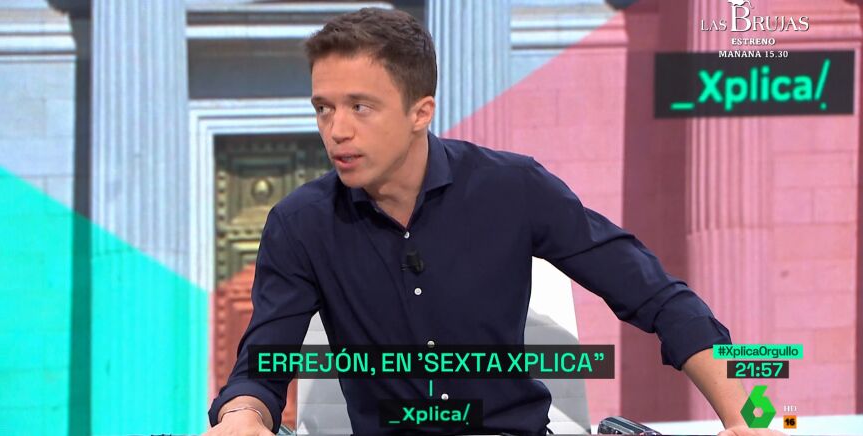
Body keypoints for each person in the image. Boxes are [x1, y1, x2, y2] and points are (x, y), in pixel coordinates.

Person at [205, 7, 778, 436]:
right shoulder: (300, 223)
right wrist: (242, 416)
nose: (337, 130)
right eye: (323, 108)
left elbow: (658, 298)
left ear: (420, 112)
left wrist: (748, 418)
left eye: (360, 106)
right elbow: (261, 368)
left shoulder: (512, 189)